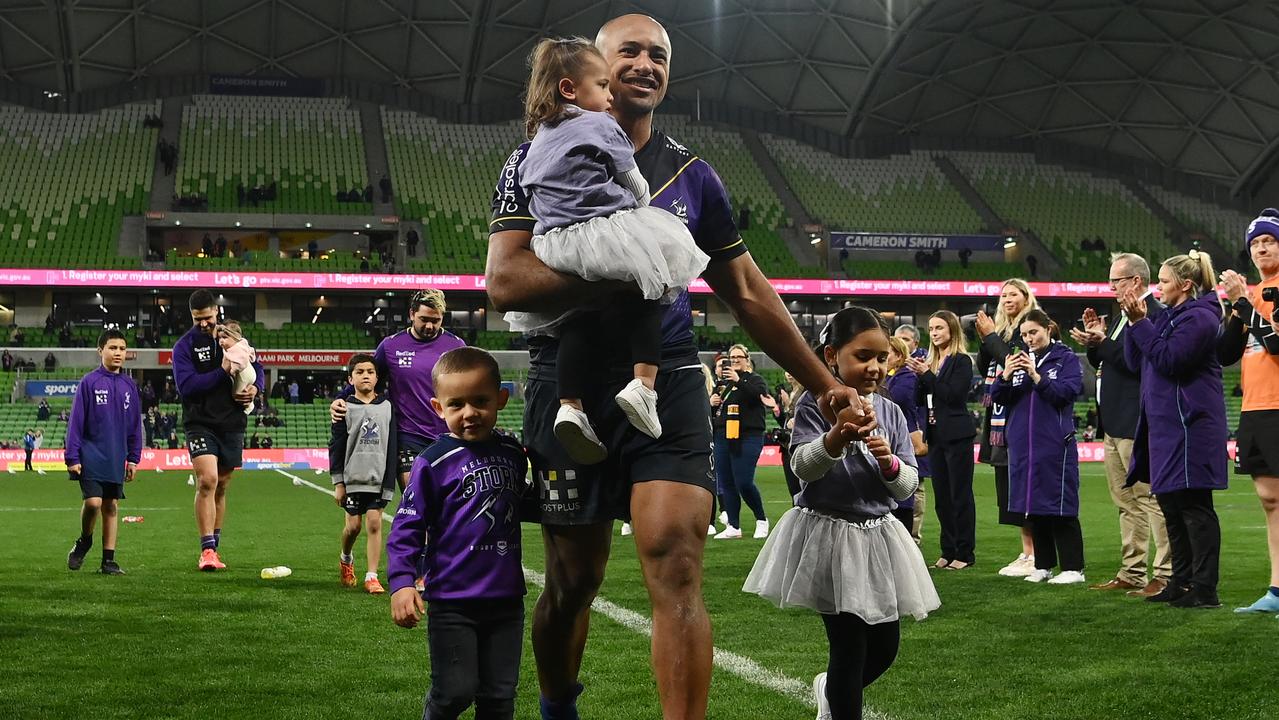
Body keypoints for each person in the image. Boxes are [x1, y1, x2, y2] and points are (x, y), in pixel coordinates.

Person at [485, 14, 863, 719]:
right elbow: (505, 284)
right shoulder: (531, 157)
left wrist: (826, 383)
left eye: (657, 55)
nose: (644, 64)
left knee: (677, 560)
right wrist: (632, 271)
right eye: (628, 51)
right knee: (572, 579)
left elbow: (748, 292)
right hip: (565, 383)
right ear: (591, 68)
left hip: (667, 381)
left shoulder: (692, 174)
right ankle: (556, 707)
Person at [503, 36, 709, 464]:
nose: (609, 94)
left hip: (554, 242)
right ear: (570, 89)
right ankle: (643, 386)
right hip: (603, 230)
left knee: (576, 321)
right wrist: (641, 208)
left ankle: (570, 407)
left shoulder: (538, 138)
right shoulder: (601, 124)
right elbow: (633, 180)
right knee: (651, 288)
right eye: (602, 85)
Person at [744, 306, 938, 720]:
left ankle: (828, 689)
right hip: (831, 535)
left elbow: (907, 486)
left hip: (880, 536)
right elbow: (802, 468)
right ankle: (840, 697)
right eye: (862, 356)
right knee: (849, 648)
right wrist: (834, 439)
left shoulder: (892, 413)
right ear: (832, 356)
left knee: (885, 648)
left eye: (882, 358)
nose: (874, 367)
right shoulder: (816, 406)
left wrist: (889, 464)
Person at [387, 348, 529, 720]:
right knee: (454, 692)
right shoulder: (432, 461)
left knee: (500, 697)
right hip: (453, 600)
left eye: (481, 401)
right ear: (438, 407)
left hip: (506, 600)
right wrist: (402, 582)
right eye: (457, 404)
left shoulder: (514, 454)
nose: (469, 413)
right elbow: (407, 526)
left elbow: (524, 503)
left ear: (501, 399)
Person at [1121, 250, 1228, 609]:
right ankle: (1180, 581)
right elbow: (1138, 360)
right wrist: (1131, 320)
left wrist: (1141, 324)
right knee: (1171, 505)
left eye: (1164, 281)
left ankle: (1205, 587)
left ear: (1184, 284)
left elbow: (1170, 361)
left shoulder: (1200, 316)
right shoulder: (1168, 316)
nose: (1158, 288)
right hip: (1166, 426)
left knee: (1194, 507)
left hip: (1190, 425)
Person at [1070, 253, 1171, 597]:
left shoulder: (1153, 315)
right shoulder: (1119, 317)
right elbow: (1111, 359)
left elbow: (1136, 364)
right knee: (1125, 501)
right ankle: (1132, 570)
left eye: (1117, 280)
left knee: (1147, 498)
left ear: (1137, 281)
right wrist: (1096, 341)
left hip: (1135, 420)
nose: (1111, 287)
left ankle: (1165, 572)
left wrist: (1105, 343)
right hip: (1113, 421)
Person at [330, 289, 466, 491]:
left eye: (436, 320)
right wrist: (340, 399)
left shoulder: (456, 347)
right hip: (408, 435)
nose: (429, 326)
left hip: (448, 434)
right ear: (411, 314)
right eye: (424, 319)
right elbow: (369, 377)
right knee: (415, 496)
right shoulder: (391, 346)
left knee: (445, 502)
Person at [173, 289, 264, 571]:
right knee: (207, 481)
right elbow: (186, 388)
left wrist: (254, 389)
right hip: (200, 421)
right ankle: (207, 550)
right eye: (197, 319)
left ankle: (216, 547)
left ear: (216, 312)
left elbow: (257, 366)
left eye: (208, 318)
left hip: (232, 422)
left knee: (222, 486)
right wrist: (222, 371)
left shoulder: (233, 338)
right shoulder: (184, 346)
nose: (204, 324)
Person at [993, 310, 1086, 584]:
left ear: (1049, 328)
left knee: (1060, 506)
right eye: (1024, 335)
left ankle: (1073, 568)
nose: (1028, 339)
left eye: (1033, 332)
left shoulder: (1066, 358)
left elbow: (1065, 394)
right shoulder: (1018, 360)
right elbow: (999, 399)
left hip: (1055, 444)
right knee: (1034, 508)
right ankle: (1043, 565)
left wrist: (1036, 376)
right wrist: (1006, 376)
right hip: (1024, 446)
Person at [1219, 209, 1279, 615]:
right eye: (1255, 243)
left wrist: (1246, 302)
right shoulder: (1253, 294)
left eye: (1269, 240)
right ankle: (1277, 590)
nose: (1261, 247)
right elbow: (1226, 355)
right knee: (1269, 498)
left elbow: (1276, 345)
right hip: (1255, 405)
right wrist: (1235, 312)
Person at [64, 329, 143, 576]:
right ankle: (85, 540)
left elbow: (134, 426)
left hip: (116, 455)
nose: (118, 353)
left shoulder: (130, 386)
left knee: (110, 505)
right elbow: (76, 422)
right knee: (93, 502)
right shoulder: (89, 382)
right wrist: (73, 457)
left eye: (121, 348)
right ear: (101, 351)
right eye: (112, 348)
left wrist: (133, 458)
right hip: (91, 454)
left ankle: (108, 560)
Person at [974, 279, 1039, 577]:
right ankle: (1026, 552)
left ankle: (1036, 552)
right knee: (1008, 487)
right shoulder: (1001, 331)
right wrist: (985, 338)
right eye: (1003, 295)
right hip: (1000, 415)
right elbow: (986, 364)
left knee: (1023, 485)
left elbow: (1013, 361)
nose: (1007, 299)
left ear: (1026, 298)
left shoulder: (1032, 328)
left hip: (1021, 416)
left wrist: (991, 338)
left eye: (1013, 294)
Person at [906, 310, 976, 570]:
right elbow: (918, 400)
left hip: (957, 435)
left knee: (960, 496)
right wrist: (919, 376)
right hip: (935, 436)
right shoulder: (932, 362)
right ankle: (948, 550)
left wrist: (926, 375)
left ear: (952, 331)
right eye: (932, 329)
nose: (934, 334)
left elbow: (953, 395)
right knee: (942, 498)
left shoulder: (961, 361)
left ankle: (965, 552)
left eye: (939, 328)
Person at [330, 353, 397, 595]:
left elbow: (392, 446)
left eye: (370, 371)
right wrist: (338, 483)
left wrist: (389, 482)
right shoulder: (344, 407)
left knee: (374, 522)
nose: (365, 375)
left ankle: (372, 576)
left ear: (377, 377)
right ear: (350, 378)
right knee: (353, 527)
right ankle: (346, 558)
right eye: (359, 372)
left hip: (378, 479)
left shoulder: (388, 406)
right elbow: (336, 445)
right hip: (352, 479)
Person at [711, 344, 772, 540]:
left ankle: (761, 519)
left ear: (747, 359)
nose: (735, 359)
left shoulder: (756, 380)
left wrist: (738, 381)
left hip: (748, 435)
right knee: (727, 482)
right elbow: (715, 413)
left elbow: (758, 397)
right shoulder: (722, 384)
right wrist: (711, 404)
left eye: (739, 356)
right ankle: (733, 526)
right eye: (732, 356)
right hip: (722, 435)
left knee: (744, 481)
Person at [885, 336, 927, 541]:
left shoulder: (906, 378)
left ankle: (912, 538)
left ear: (899, 355)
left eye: (886, 354)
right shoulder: (892, 377)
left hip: (907, 441)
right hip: (897, 441)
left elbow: (898, 400)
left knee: (910, 491)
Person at [216, 321, 257, 416]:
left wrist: (232, 370)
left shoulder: (237, 349)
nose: (221, 341)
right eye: (220, 338)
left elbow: (240, 362)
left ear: (236, 337)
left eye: (225, 337)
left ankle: (248, 408)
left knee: (237, 394)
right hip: (246, 374)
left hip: (244, 375)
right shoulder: (241, 344)